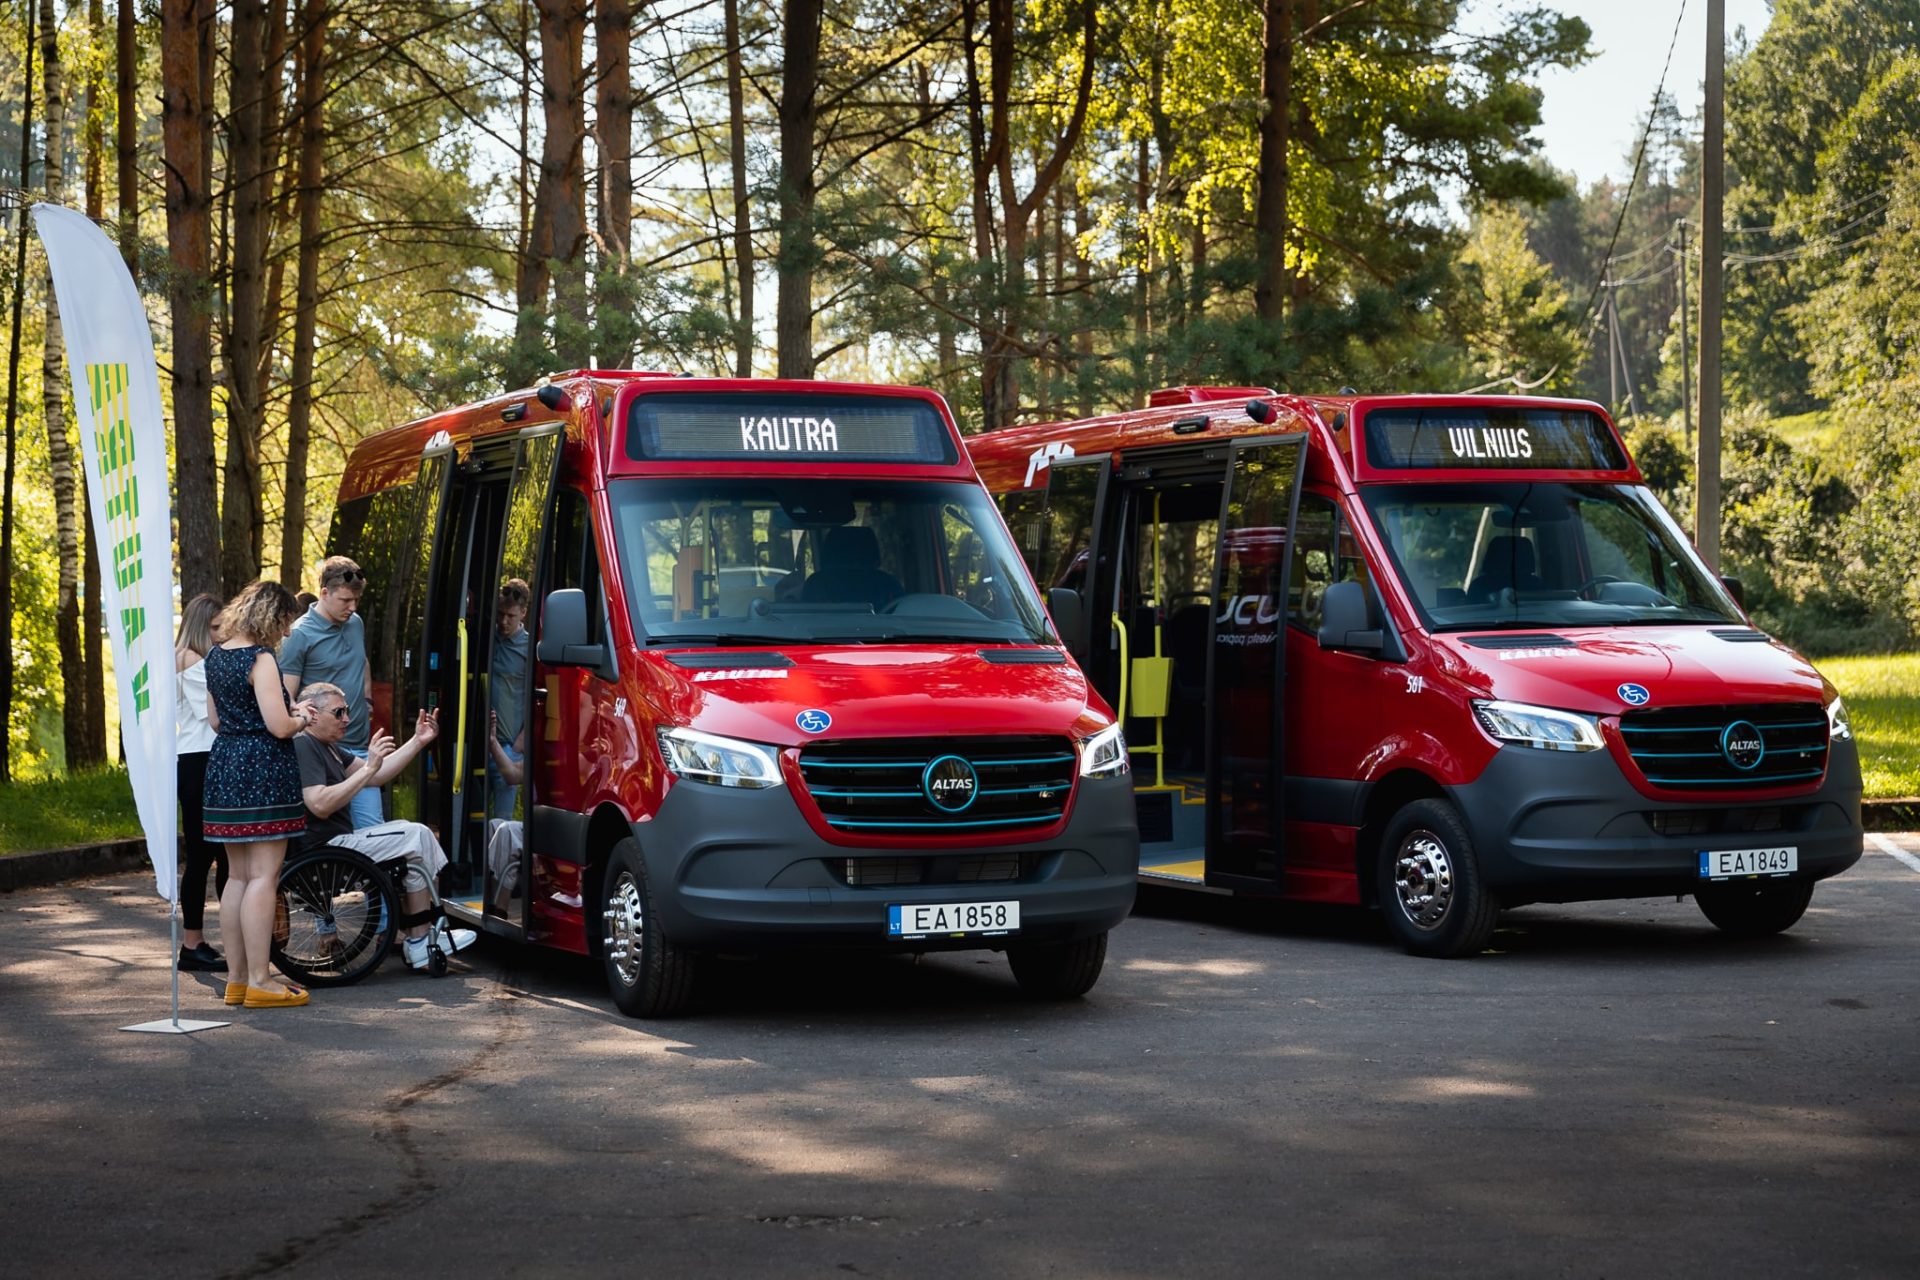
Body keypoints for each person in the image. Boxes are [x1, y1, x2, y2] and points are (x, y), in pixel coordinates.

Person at [293, 683, 478, 970]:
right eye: (339, 712)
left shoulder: (328, 747)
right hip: (327, 848)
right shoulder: (304, 744)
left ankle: (419, 938)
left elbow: (378, 776)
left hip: (338, 843)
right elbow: (318, 804)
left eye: (347, 711)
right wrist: (367, 768)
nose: (347, 719)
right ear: (313, 714)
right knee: (417, 834)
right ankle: (420, 939)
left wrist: (418, 741)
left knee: (413, 841)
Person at [205, 581, 320, 1009]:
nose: (286, 632)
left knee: (236, 876)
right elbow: (278, 725)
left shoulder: (216, 656)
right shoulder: (260, 658)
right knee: (264, 877)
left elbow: (215, 721)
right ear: (272, 618)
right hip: (263, 768)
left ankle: (236, 979)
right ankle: (260, 980)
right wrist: (302, 718)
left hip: (225, 765)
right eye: (285, 623)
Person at [280, 557, 381, 829]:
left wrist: (367, 699)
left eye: (356, 600)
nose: (352, 607)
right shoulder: (298, 635)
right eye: (345, 600)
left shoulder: (356, 623)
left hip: (359, 743)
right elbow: (286, 697)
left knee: (372, 830)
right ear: (324, 592)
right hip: (323, 752)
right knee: (338, 841)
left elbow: (362, 662)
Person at [174, 593, 228, 971]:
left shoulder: (190, 658)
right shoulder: (192, 661)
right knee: (208, 856)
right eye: (214, 628)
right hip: (201, 761)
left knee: (215, 855)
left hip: (200, 760)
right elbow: (215, 715)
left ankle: (204, 941)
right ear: (199, 627)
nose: (221, 635)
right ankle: (193, 944)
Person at [488, 578, 532, 819]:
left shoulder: (529, 648)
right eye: (501, 614)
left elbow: (538, 695)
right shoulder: (487, 639)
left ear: (523, 613)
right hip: (481, 743)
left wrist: (521, 741)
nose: (503, 621)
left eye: (511, 616)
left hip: (509, 747)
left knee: (501, 820)